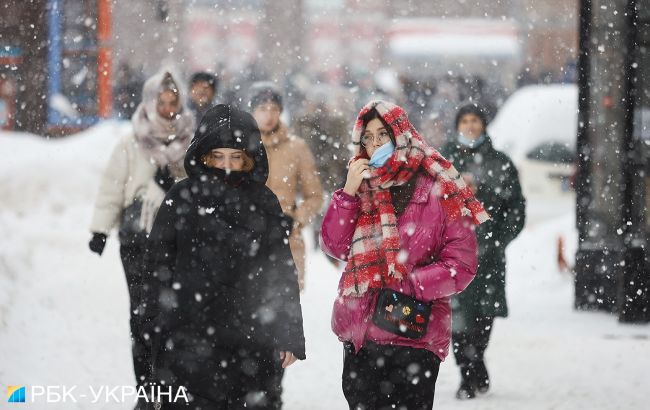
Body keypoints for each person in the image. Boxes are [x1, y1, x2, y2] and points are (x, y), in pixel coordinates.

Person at [320, 100, 489, 410]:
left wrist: (408, 285)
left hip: (413, 334)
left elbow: (461, 265)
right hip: (361, 336)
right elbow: (334, 246)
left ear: (400, 135)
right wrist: (347, 193)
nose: (374, 145)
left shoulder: (441, 187)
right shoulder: (360, 186)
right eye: (367, 138)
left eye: (381, 135)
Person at [139, 104, 306, 409]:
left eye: (235, 157)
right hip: (189, 334)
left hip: (252, 340)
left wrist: (289, 333)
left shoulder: (262, 201)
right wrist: (153, 323)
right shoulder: (181, 197)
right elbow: (157, 264)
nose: (226, 165)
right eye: (218, 156)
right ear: (204, 155)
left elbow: (280, 270)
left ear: (248, 160)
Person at [88, 68, 195, 393]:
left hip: (177, 239)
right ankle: (147, 388)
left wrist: (174, 184)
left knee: (174, 313)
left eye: (172, 100)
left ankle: (171, 385)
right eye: (160, 101)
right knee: (141, 316)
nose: (166, 107)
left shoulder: (190, 138)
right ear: (149, 102)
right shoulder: (131, 141)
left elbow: (200, 186)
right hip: (136, 239)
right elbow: (112, 187)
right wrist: (100, 230)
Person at [441, 103, 526, 400]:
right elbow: (429, 202)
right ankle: (468, 375)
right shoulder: (442, 160)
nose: (470, 125)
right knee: (456, 320)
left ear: (484, 124)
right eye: (464, 120)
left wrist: (499, 238)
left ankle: (476, 361)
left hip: (487, 257)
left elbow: (516, 206)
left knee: (483, 319)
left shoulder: (500, 161)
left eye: (475, 120)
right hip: (452, 255)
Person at [249, 81, 323, 290]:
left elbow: (315, 195)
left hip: (287, 243)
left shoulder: (297, 147)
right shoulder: (240, 147)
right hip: (248, 242)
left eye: (274, 109)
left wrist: (295, 220)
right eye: (262, 108)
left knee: (284, 315)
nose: (269, 115)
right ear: (252, 110)